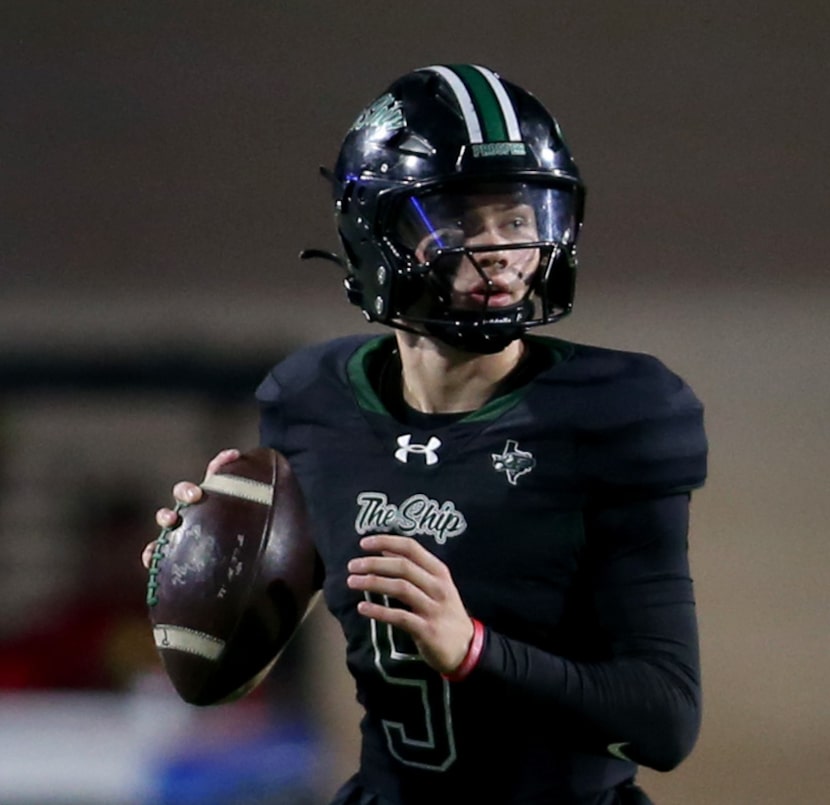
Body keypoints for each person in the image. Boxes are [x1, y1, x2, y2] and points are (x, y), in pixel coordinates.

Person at [144, 64, 707, 804]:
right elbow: (217, 680)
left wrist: (474, 649)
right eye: (461, 219)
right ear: (374, 232)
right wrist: (208, 567)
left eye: (517, 217)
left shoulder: (618, 413)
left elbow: (667, 720)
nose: (501, 250)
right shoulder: (311, 402)